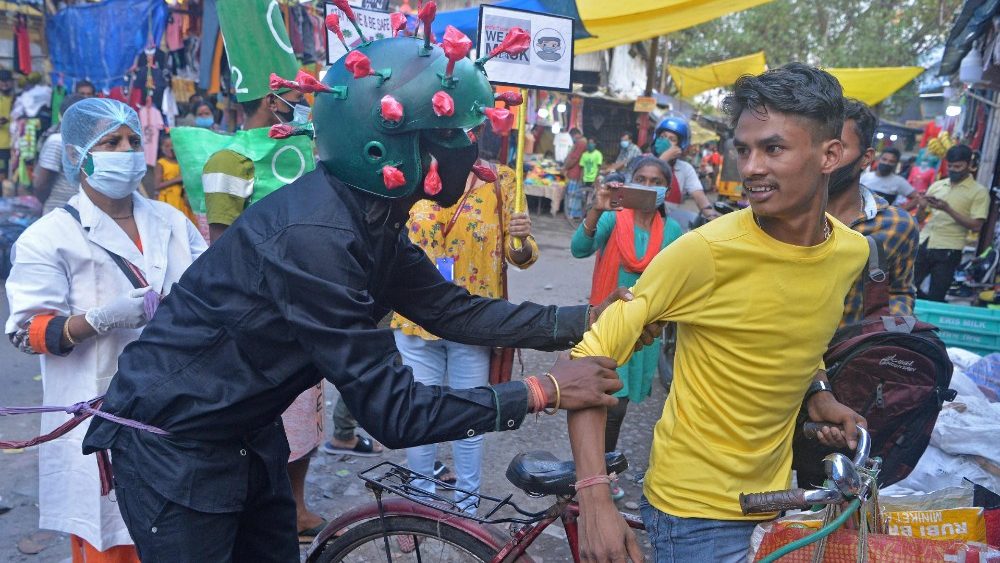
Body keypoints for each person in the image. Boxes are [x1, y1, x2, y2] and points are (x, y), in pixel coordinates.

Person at [80, 22, 642, 562]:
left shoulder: (372, 217)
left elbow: (450, 309)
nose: (468, 151)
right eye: (451, 136)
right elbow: (394, 413)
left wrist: (583, 319)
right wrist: (544, 390)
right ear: (384, 150)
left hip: (249, 433)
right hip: (177, 447)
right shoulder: (317, 237)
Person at [566, 63, 871, 562]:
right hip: (694, 515)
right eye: (744, 149)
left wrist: (820, 396)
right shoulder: (705, 252)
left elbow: (790, 338)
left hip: (776, 500)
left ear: (829, 155)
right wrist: (596, 498)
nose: (750, 168)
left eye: (773, 148)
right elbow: (587, 358)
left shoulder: (851, 253)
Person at [5, 98, 206, 563]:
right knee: (112, 541)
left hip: (179, 415)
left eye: (134, 140)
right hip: (102, 424)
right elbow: (25, 333)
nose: (127, 150)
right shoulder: (48, 237)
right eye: (111, 142)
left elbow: (209, 290)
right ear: (79, 155)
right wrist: (99, 319)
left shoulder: (171, 221)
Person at [392, 158, 540, 514]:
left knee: (471, 417)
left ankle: (467, 508)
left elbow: (520, 255)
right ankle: (420, 502)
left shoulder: (502, 179)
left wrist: (520, 238)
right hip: (414, 319)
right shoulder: (409, 170)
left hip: (472, 321)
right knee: (420, 414)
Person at [571, 158, 683, 500]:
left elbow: (678, 279)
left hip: (643, 333)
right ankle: (589, 475)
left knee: (618, 407)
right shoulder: (612, 219)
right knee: (597, 398)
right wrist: (595, 209)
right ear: (629, 183)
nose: (648, 185)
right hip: (605, 325)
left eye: (655, 180)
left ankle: (598, 473)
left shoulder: (674, 233)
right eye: (641, 178)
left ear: (665, 189)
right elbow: (579, 249)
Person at [826, 99, 919, 324]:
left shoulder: (897, 226)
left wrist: (887, 342)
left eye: (837, 148)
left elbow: (899, 291)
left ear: (866, 158)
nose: (825, 158)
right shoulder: (783, 215)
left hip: (850, 353)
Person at [914, 144, 990, 301]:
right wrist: (921, 207)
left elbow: (976, 226)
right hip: (925, 242)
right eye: (950, 166)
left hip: (949, 249)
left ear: (970, 165)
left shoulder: (979, 192)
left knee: (936, 295)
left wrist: (947, 209)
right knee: (907, 290)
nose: (954, 169)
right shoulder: (938, 185)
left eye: (958, 166)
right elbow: (920, 219)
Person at [652, 116, 720, 221]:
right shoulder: (643, 161)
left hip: (669, 224)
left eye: (672, 139)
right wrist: (663, 159)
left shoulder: (685, 168)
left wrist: (712, 217)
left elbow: (699, 195)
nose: (666, 141)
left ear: (679, 146)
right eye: (663, 136)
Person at [32, 94, 86, 214]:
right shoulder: (58, 141)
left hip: (76, 213)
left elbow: (41, 184)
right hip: (58, 212)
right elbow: (42, 184)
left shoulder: (88, 144)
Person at [152, 132, 198, 224]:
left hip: (181, 200)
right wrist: (177, 179)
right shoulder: (161, 163)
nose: (171, 148)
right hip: (168, 199)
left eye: (173, 146)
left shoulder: (181, 162)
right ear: (162, 148)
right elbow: (157, 185)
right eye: (167, 146)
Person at [563, 127, 588, 219]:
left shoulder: (581, 142)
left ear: (575, 135)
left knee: (573, 194)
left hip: (575, 172)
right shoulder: (582, 142)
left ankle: (572, 214)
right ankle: (573, 213)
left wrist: (565, 167)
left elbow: (574, 158)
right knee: (575, 195)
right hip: (575, 172)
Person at [0, 69, 13, 184]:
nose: (5, 83)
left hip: (16, 145)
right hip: (2, 145)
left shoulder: (18, 98)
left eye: (7, 80)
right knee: (2, 173)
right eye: (2, 81)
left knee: (15, 174)